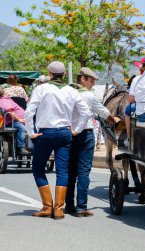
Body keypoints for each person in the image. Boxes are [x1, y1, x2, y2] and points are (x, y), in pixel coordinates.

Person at [25, 61, 92, 220]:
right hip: (65, 133)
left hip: (45, 133)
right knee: (63, 171)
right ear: (63, 74)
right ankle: (59, 209)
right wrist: (77, 130)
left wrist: (31, 132)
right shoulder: (72, 90)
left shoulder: (41, 89)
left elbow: (29, 113)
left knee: (38, 169)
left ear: (49, 74)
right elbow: (86, 113)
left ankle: (47, 207)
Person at [65, 67, 120, 217]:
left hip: (68, 134)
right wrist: (114, 119)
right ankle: (81, 207)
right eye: (91, 81)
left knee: (70, 172)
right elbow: (104, 112)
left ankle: (68, 205)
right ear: (82, 79)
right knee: (83, 172)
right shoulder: (89, 96)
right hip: (85, 135)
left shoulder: (67, 94)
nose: (93, 84)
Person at [123, 57, 145, 148]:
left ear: (141, 69)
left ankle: (128, 138)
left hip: (141, 107)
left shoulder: (137, 79)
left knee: (127, 110)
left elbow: (131, 99)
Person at [0, 89, 29, 154]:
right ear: (4, 93)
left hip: (13, 120)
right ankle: (21, 147)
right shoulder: (4, 101)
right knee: (21, 128)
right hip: (11, 121)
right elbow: (10, 112)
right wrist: (20, 120)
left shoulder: (5, 100)